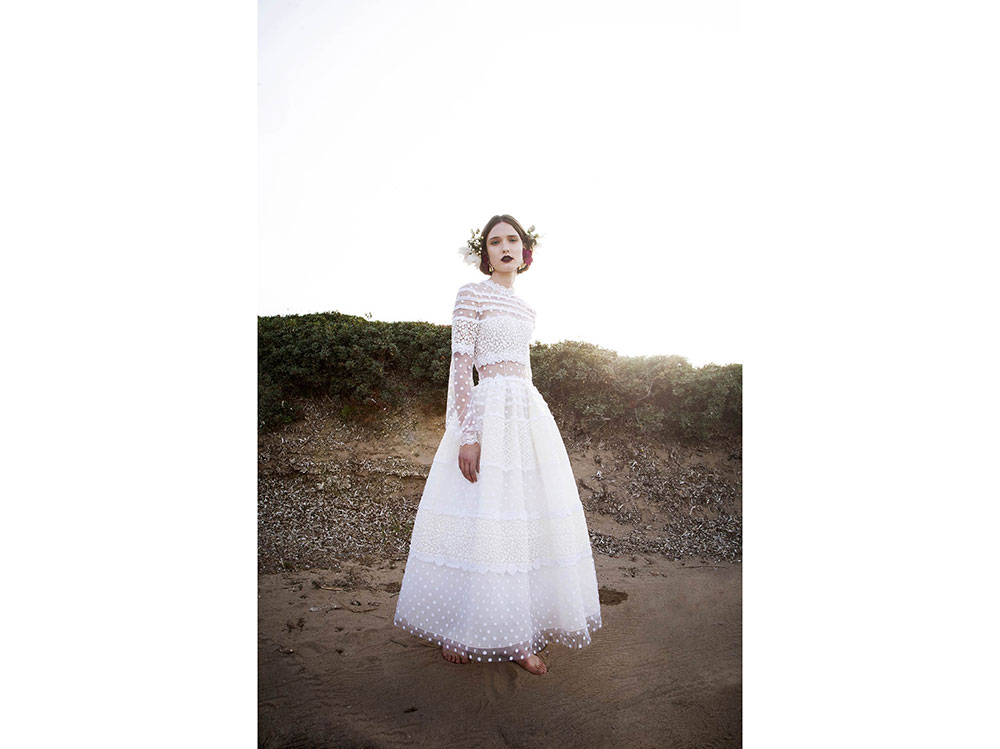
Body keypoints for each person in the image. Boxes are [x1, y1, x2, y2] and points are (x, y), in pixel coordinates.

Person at [392, 214, 602, 675]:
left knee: (520, 518)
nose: (504, 247)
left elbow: (523, 369)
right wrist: (468, 434)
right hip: (485, 411)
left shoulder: (527, 310)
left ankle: (518, 636)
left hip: (524, 414)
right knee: (479, 517)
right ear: (484, 253)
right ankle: (461, 628)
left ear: (525, 252)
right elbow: (460, 364)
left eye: (512, 240)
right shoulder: (471, 294)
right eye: (494, 241)